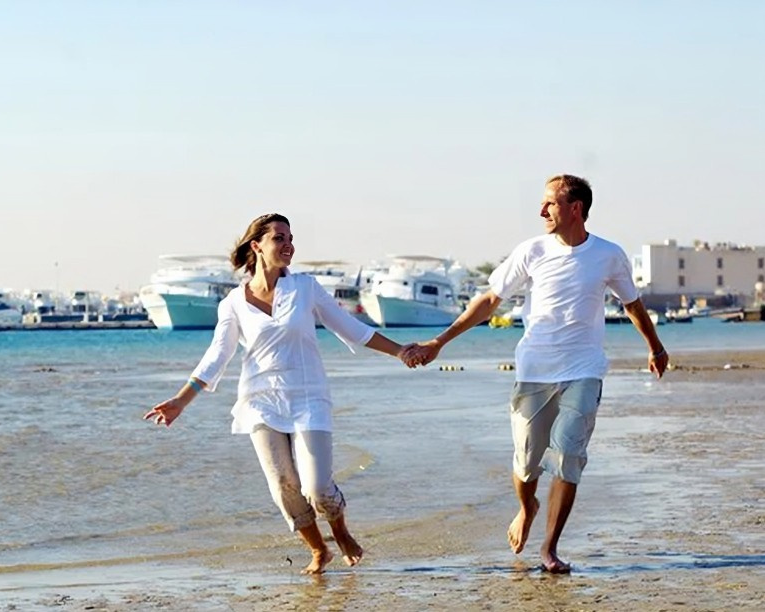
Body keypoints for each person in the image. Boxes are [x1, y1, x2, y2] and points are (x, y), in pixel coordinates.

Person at [405, 174, 668, 573]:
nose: (541, 210)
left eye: (550, 203)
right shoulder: (532, 251)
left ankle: (549, 548)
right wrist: (439, 342)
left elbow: (631, 304)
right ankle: (527, 506)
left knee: (568, 455)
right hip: (534, 370)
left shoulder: (609, 255)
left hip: (584, 370)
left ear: (575, 209)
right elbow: (489, 300)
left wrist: (656, 347)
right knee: (527, 463)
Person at [144, 213, 415, 575]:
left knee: (317, 487)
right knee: (284, 487)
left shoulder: (305, 288)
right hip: (260, 402)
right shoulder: (233, 303)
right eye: (279, 238)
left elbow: (351, 328)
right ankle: (318, 549)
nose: (288, 245)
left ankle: (340, 531)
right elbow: (218, 355)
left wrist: (400, 351)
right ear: (256, 246)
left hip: (309, 397)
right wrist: (181, 399)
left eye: (290, 238)